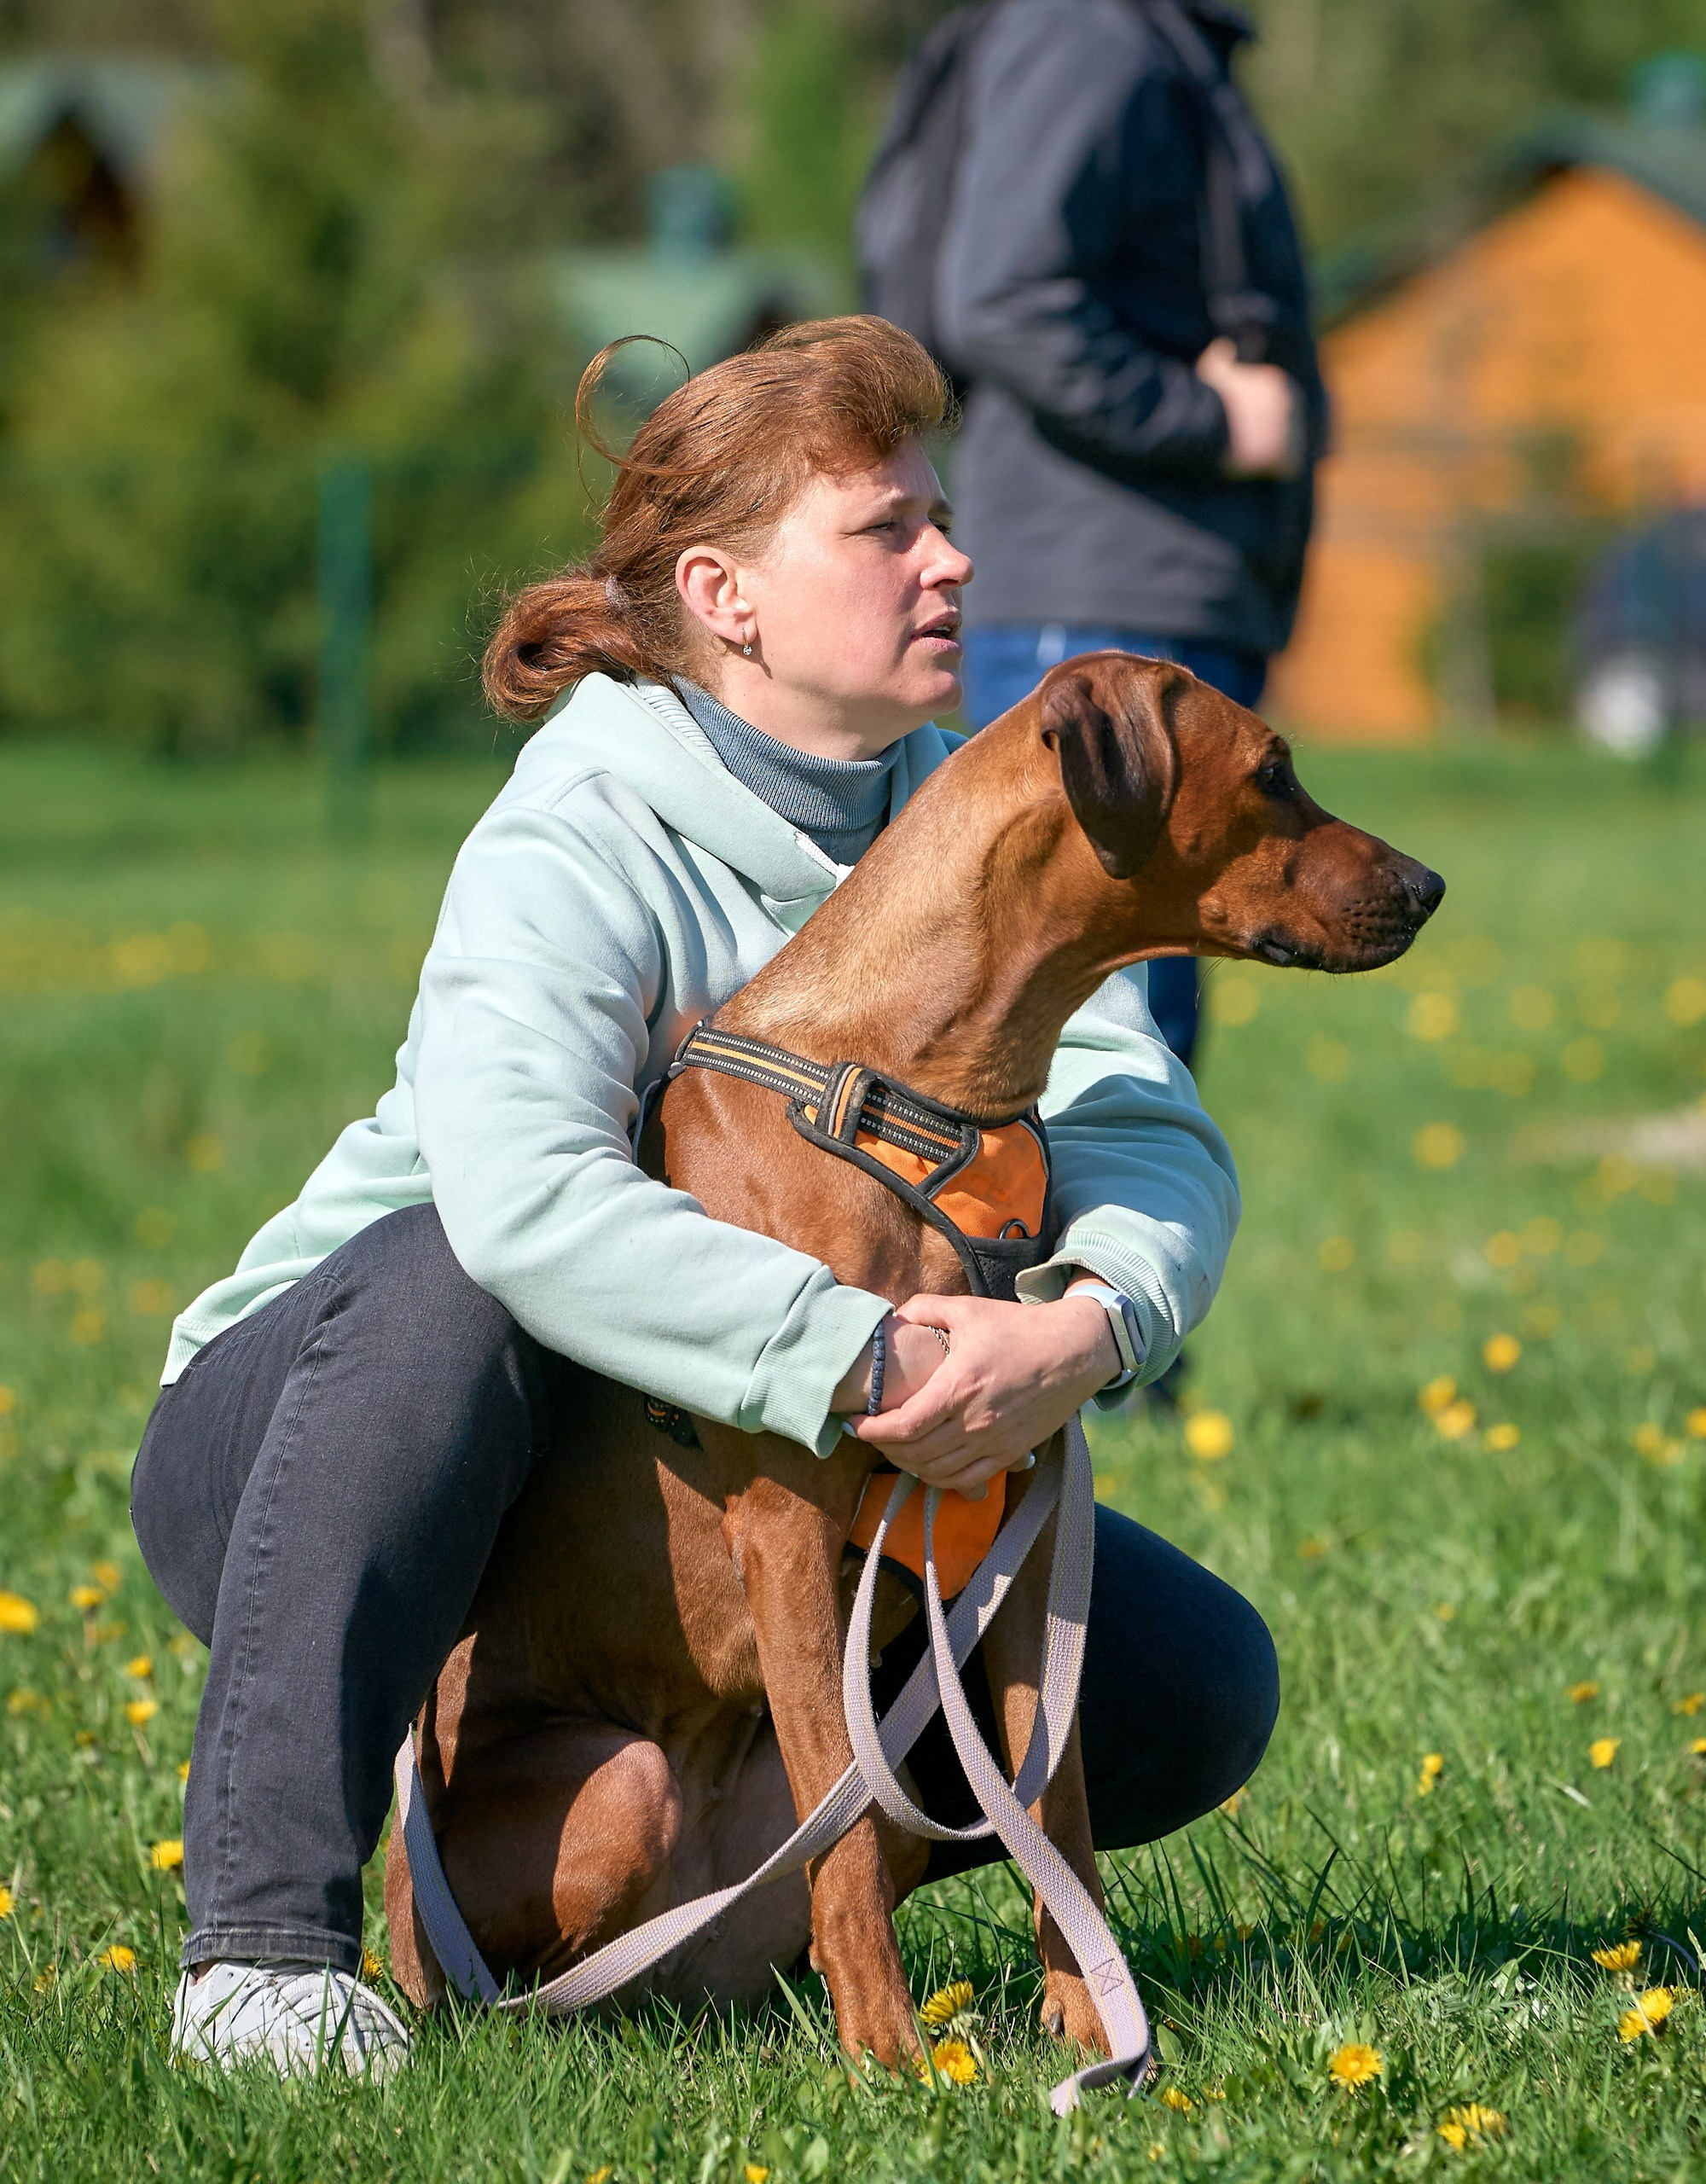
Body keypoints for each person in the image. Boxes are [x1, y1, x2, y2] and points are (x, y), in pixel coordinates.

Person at [129, 317, 1275, 2081]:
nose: (950, 558)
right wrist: (866, 1352)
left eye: (939, 515)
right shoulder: (578, 828)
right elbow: (519, 1203)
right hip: (320, 1453)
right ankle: (263, 1952)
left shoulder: (961, 803)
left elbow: (1139, 1119)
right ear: (722, 593)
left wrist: (1087, 1319)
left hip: (676, 1477)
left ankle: (741, 1870)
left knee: (1184, 1676)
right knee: (454, 1275)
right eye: (884, 528)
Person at [931, 0, 1325, 1068]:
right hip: (1099, 598)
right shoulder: (1088, 34)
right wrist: (1212, 422)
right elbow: (1004, 295)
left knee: (1138, 1037)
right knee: (1096, 1048)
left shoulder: (1159, 44)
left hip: (1149, 584)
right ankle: (1054, 1244)